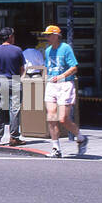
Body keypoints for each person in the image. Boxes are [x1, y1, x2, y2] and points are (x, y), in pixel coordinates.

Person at [43, 24, 88, 157]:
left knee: (63, 119)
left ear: (57, 36)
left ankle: (81, 138)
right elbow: (48, 67)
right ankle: (56, 148)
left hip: (65, 84)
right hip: (52, 85)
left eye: (49, 35)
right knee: (51, 117)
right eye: (46, 35)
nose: (47, 37)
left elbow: (74, 67)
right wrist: (47, 77)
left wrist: (61, 76)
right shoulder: (47, 50)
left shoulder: (66, 48)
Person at [0, 27, 26, 147]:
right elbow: (22, 69)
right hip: (14, 80)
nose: (14, 38)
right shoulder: (17, 50)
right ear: (10, 37)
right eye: (13, 36)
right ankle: (14, 137)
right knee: (14, 110)